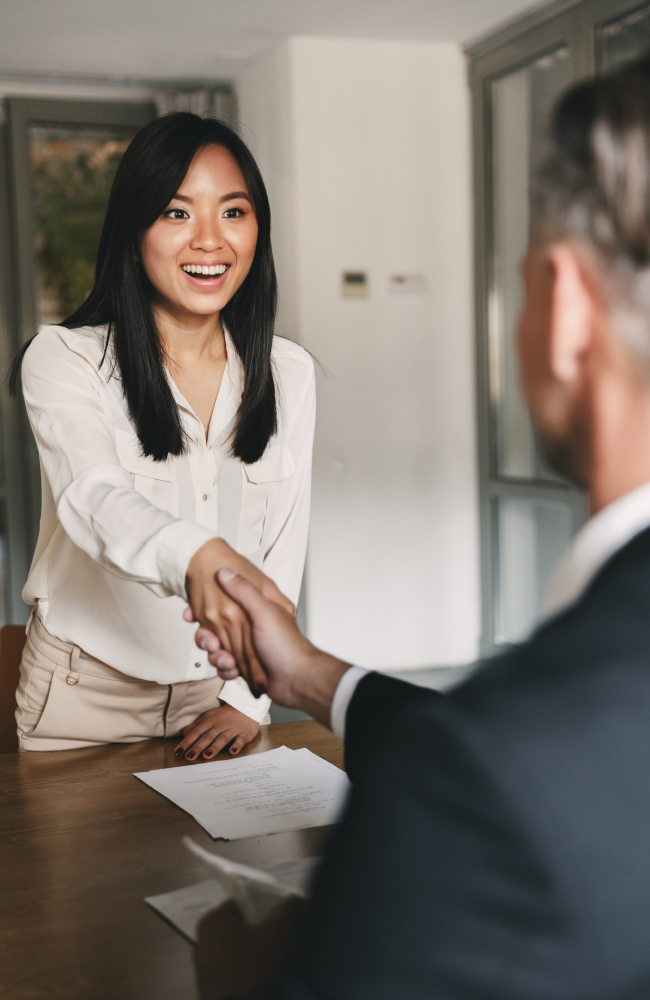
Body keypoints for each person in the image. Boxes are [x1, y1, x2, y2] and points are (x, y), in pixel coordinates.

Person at [192, 58, 650, 999]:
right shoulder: (524, 752)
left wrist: (251, 974)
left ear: (562, 306)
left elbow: (522, 772)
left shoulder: (490, 783)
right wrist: (312, 676)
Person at [11, 113, 315, 759]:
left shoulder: (288, 371)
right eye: (177, 214)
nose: (210, 240)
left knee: (233, 864)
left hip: (221, 690)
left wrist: (246, 700)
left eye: (233, 212)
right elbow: (91, 498)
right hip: (83, 695)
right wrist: (197, 553)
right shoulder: (64, 358)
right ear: (133, 229)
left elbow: (284, 540)